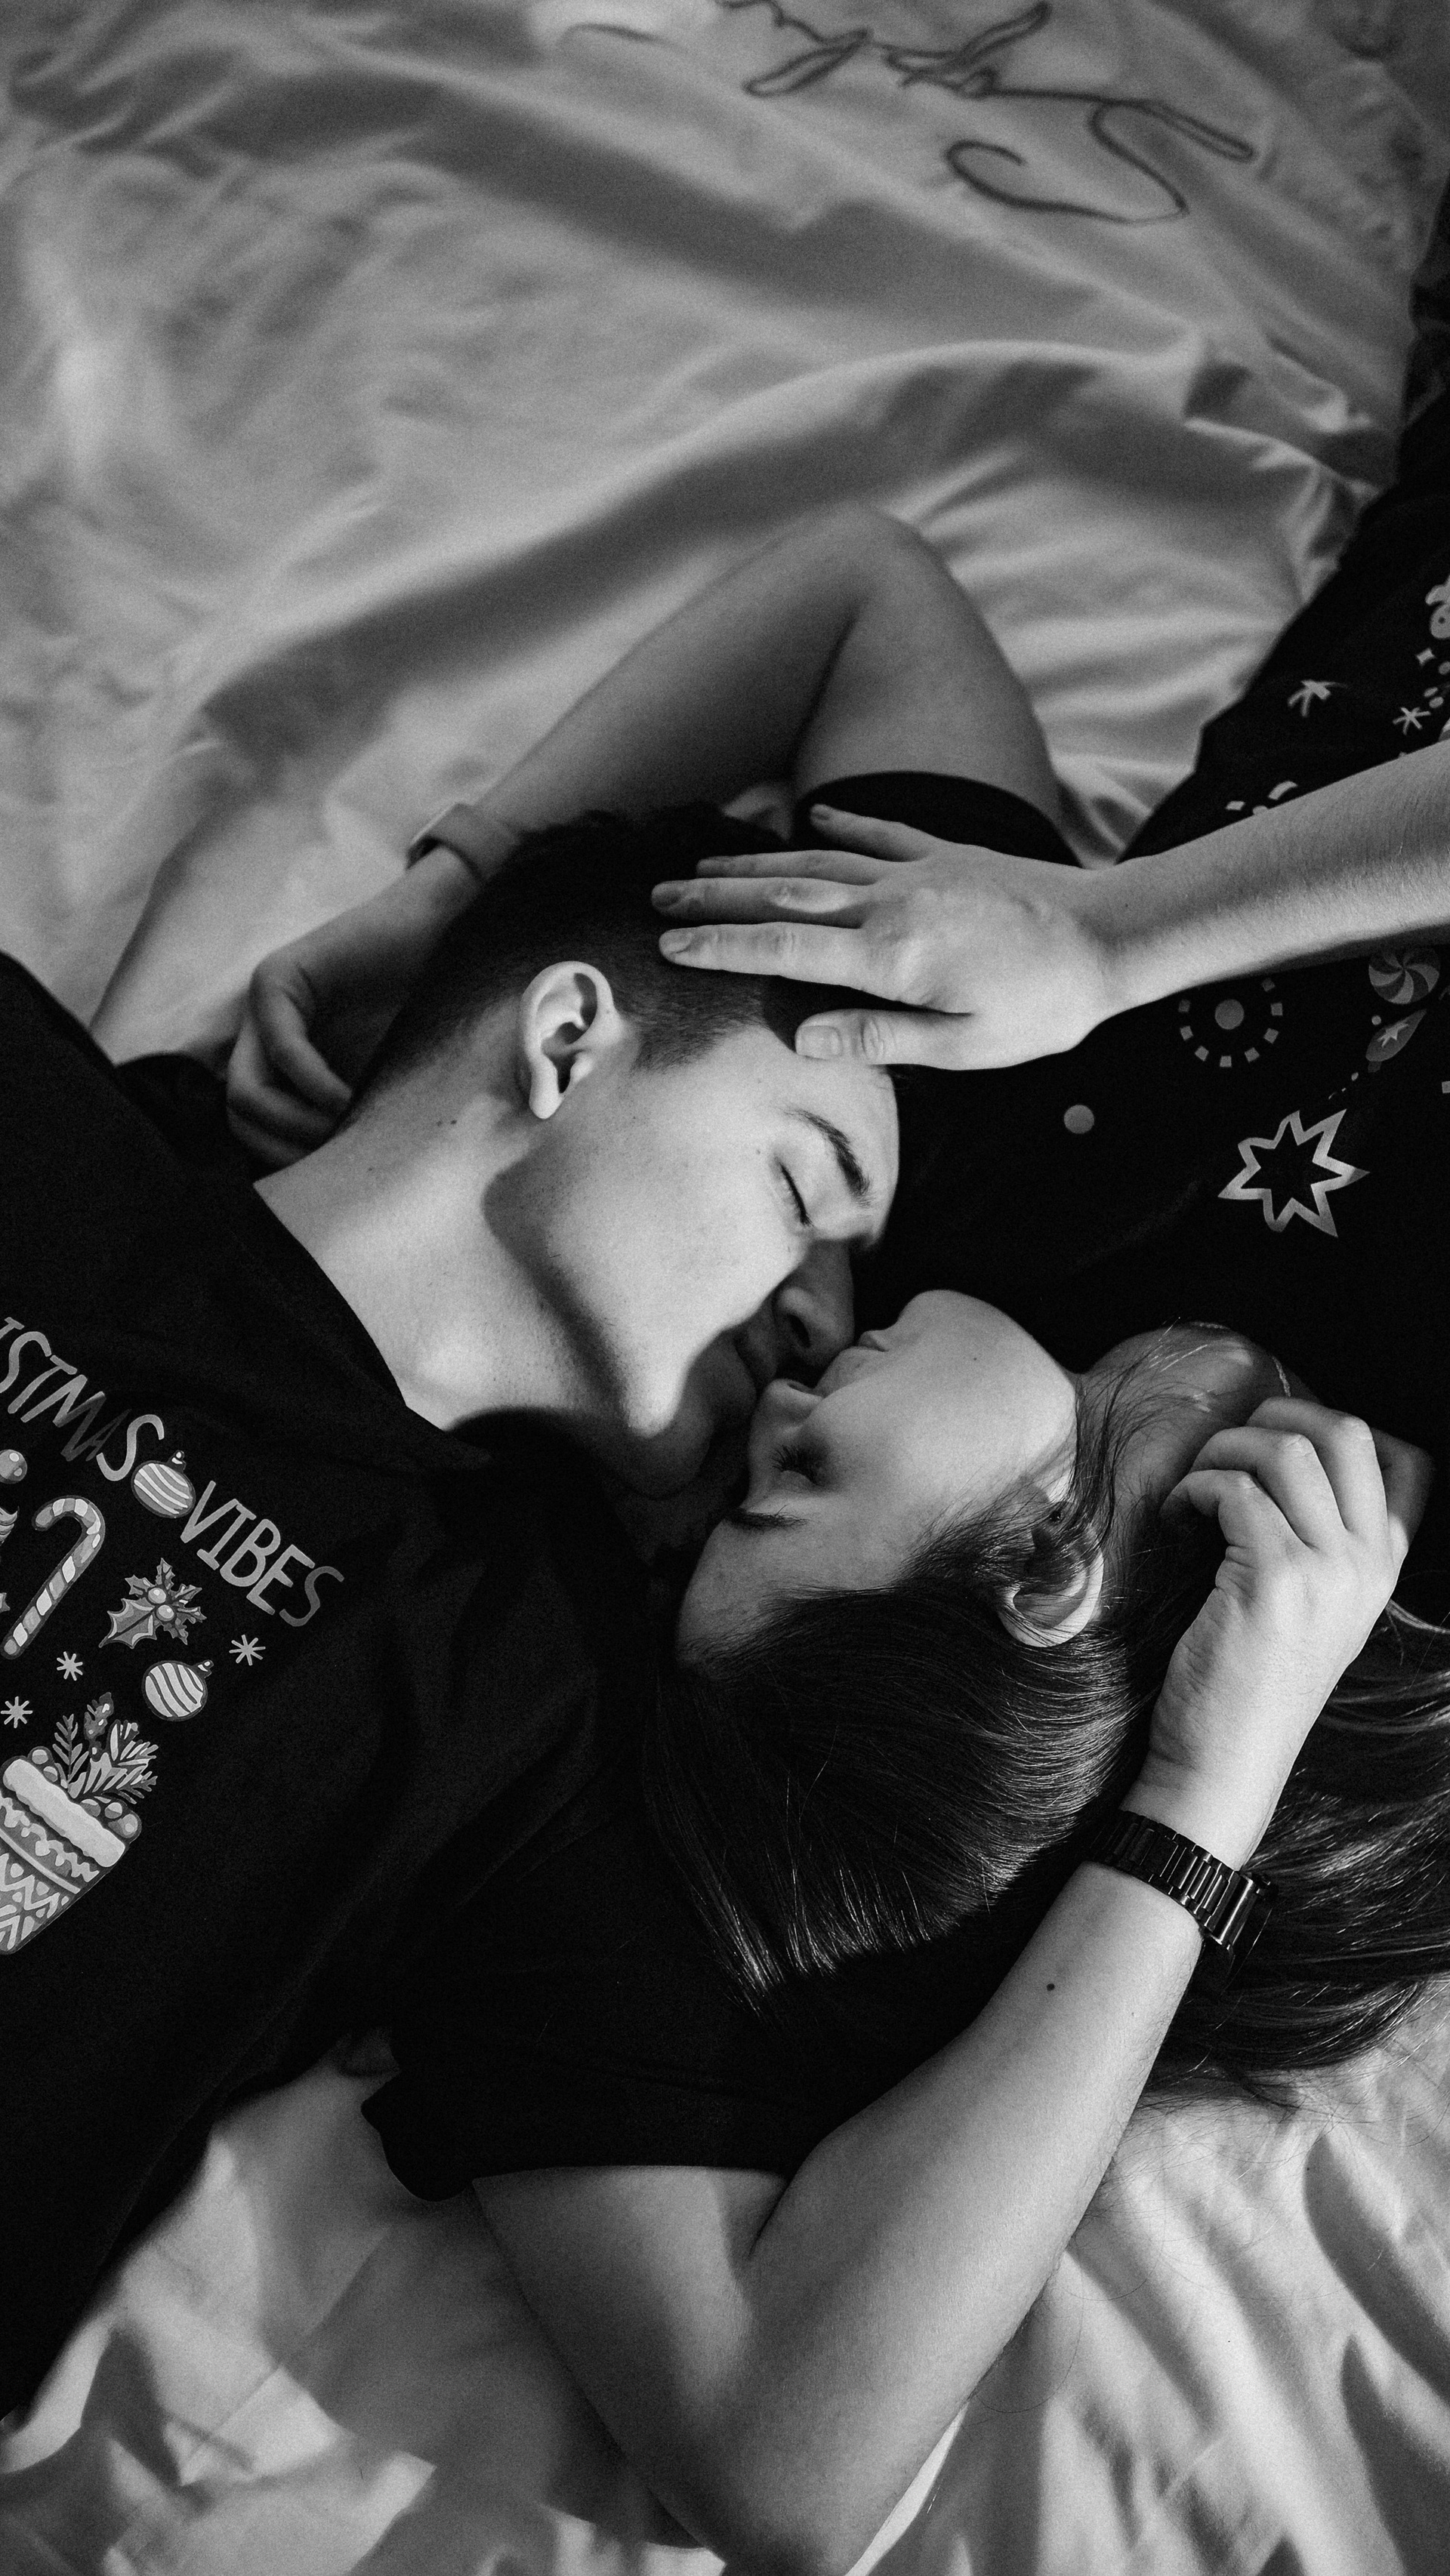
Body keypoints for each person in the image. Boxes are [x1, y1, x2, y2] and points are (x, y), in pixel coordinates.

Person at [218, 445, 1449, 2567]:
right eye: (790, 1480)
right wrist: (1206, 1793)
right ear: (1050, 1568)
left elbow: (860, 588)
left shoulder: (947, 1168)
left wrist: (456, 891)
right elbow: (790, 2463)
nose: (780, 1381)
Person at [0, 800, 898, 2417]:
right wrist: (452, 879)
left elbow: (778, 2445)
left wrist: (1205, 1798)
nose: (826, 1320)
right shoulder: (28, 1124)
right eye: (804, 1184)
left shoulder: (534, 1692)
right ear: (567, 1040)